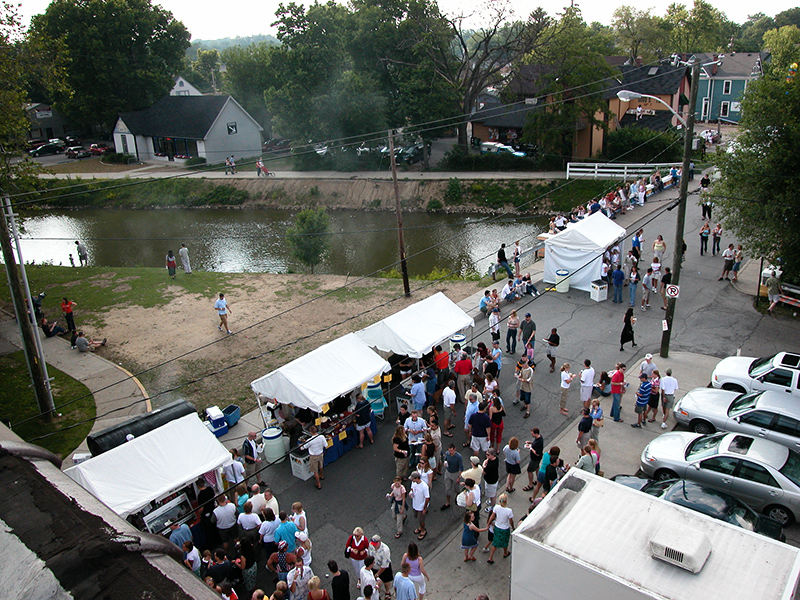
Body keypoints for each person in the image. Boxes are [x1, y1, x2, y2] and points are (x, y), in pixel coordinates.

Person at [486, 494, 514, 563]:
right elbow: (511, 521)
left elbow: (492, 516)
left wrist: (488, 523)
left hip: (497, 527)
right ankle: (505, 553)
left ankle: (491, 557)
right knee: (505, 542)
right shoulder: (509, 511)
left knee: (495, 542)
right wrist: (513, 527)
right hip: (505, 528)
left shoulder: (496, 507)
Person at [440, 444, 463, 510]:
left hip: (455, 473)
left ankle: (458, 498)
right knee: (447, 489)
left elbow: (461, 468)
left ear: (454, 449)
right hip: (448, 473)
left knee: (457, 489)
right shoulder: (447, 454)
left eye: (452, 451)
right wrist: (445, 462)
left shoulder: (458, 457)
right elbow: (445, 459)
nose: (450, 453)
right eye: (449, 451)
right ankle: (447, 502)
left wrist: (459, 477)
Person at [409, 471, 430, 540]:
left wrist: (424, 508)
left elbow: (427, 498)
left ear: (417, 478)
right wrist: (411, 492)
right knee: (416, 516)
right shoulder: (414, 483)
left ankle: (423, 530)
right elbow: (412, 488)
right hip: (415, 503)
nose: (412, 480)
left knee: (421, 519)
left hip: (421, 506)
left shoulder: (424, 486)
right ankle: (421, 528)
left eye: (413, 479)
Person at [482, 447, 500, 513]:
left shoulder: (491, 465)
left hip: (491, 482)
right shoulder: (496, 459)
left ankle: (493, 506)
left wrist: (483, 464)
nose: (486, 456)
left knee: (492, 495)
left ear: (493, 455)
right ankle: (492, 502)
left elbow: (483, 471)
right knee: (493, 493)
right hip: (494, 479)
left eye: (488, 455)